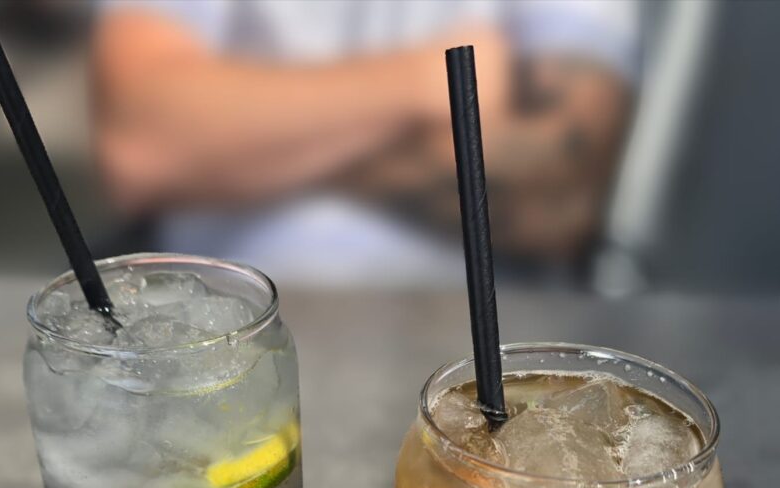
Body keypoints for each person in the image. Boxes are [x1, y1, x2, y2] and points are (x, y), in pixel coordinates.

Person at [92, 0, 639, 285]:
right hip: (219, 338)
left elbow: (560, 193)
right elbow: (142, 147)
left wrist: (243, 143)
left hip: (488, 349)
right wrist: (423, 80)